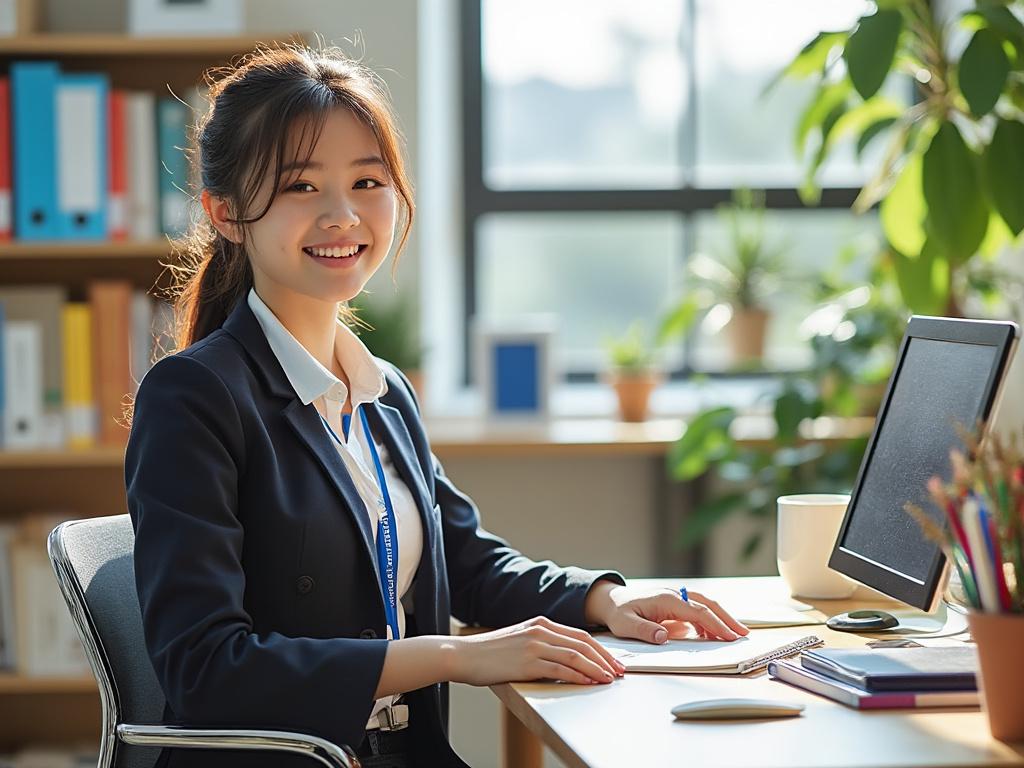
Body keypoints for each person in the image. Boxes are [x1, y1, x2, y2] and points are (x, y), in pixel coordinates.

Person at [125, 44, 748, 768]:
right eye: (301, 187)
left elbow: (468, 563)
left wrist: (606, 601)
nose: (342, 215)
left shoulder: (383, 391)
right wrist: (455, 655)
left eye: (368, 181)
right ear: (227, 214)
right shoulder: (195, 399)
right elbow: (204, 669)